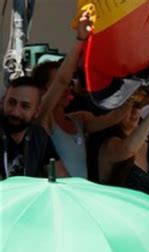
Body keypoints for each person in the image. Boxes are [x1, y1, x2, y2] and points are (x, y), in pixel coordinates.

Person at [33, 11, 131, 178]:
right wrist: (80, 40)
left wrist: (134, 83)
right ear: (43, 90)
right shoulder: (43, 119)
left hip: (79, 196)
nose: (67, 87)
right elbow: (62, 81)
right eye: (55, 84)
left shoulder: (79, 120)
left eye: (70, 82)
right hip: (59, 199)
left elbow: (114, 117)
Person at [0, 76, 68, 179]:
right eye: (11, 102)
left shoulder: (39, 136)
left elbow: (61, 179)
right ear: (2, 102)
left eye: (25, 106)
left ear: (36, 112)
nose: (16, 112)